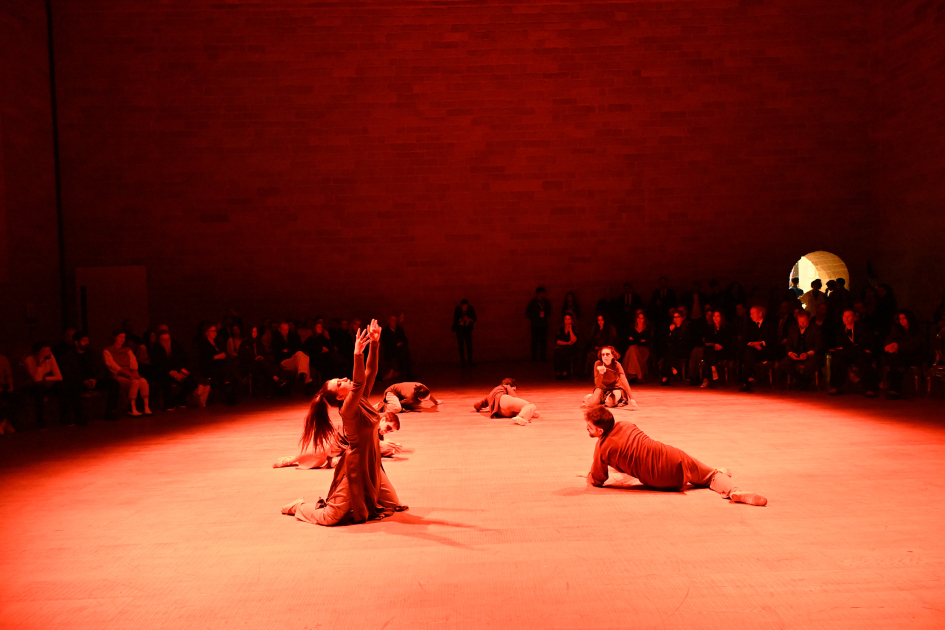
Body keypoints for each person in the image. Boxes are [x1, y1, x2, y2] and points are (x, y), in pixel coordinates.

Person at [281, 320, 408, 526]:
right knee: (330, 517)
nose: (343, 379)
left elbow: (371, 372)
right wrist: (357, 354)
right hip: (355, 468)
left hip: (372, 462)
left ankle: (363, 499)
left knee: (392, 504)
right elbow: (358, 383)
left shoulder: (361, 399)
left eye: (339, 379)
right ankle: (299, 507)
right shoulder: (347, 410)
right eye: (339, 384)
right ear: (340, 397)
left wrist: (375, 343)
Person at [583, 406, 767, 506]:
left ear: (600, 431)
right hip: (672, 457)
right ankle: (733, 491)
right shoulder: (627, 424)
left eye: (590, 427)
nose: (587, 429)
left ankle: (714, 475)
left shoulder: (601, 448)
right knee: (711, 476)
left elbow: (598, 480)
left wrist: (590, 476)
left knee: (705, 475)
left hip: (658, 482)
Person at [273, 412, 403, 469]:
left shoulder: (379, 434)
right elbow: (357, 434)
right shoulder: (369, 420)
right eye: (388, 427)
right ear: (383, 420)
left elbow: (371, 450)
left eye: (390, 431)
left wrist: (391, 449)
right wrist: (379, 444)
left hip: (347, 449)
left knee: (364, 459)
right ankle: (294, 459)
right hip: (337, 442)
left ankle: (335, 461)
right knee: (320, 454)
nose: (387, 431)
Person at [56, 331, 121, 424]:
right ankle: (79, 417)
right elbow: (68, 373)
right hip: (79, 382)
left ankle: (110, 412)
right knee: (72, 388)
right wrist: (83, 381)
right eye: (84, 341)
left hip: (93, 380)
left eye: (87, 340)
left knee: (114, 384)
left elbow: (101, 368)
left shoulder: (93, 354)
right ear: (76, 342)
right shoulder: (68, 356)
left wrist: (95, 379)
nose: (87, 342)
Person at [828, 309, 878, 397]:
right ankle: (836, 386)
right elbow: (841, 344)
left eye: (849, 316)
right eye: (844, 316)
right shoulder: (840, 330)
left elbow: (864, 343)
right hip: (846, 353)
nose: (846, 318)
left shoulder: (862, 329)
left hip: (859, 353)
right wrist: (853, 347)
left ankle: (869, 388)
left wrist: (851, 347)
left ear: (854, 318)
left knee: (864, 361)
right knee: (837, 360)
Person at [103, 331, 152, 416]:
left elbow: (133, 362)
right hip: (118, 374)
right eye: (120, 337)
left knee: (143, 381)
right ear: (114, 337)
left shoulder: (127, 350)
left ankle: (146, 406)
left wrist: (135, 372)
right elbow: (112, 365)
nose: (122, 339)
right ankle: (131, 408)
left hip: (130, 372)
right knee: (135, 382)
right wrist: (127, 373)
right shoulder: (107, 351)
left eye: (124, 337)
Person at [151, 329, 198, 411]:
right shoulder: (156, 349)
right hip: (163, 372)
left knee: (192, 382)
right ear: (159, 340)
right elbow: (157, 365)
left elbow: (183, 359)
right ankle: (169, 402)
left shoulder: (175, 345)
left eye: (168, 339)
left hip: (178, 370)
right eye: (164, 340)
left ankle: (179, 399)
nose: (167, 341)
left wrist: (181, 372)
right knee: (164, 381)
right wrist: (170, 372)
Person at [884, 309, 924, 399]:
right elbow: (889, 339)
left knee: (897, 361)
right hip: (898, 356)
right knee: (895, 359)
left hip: (912, 356)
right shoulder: (897, 329)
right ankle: (894, 389)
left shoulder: (917, 331)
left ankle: (894, 388)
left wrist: (898, 346)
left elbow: (914, 344)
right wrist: (889, 345)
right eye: (900, 318)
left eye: (904, 318)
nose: (902, 321)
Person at [778, 309, 824, 389]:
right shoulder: (793, 329)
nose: (802, 324)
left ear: (809, 319)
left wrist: (808, 354)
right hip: (796, 352)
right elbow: (788, 344)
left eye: (804, 321)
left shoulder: (816, 329)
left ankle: (803, 381)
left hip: (810, 354)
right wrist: (791, 353)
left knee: (810, 365)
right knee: (783, 364)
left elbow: (818, 345)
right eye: (800, 321)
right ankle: (803, 380)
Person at [24, 341, 64, 427]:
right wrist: (39, 363)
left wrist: (46, 378)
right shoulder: (29, 360)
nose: (50, 353)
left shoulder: (51, 357)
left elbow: (59, 377)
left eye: (50, 350)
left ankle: (65, 417)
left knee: (63, 386)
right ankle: (40, 420)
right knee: (39, 390)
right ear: (38, 353)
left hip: (47, 384)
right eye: (47, 351)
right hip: (33, 387)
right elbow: (37, 379)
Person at [739, 305, 777, 393]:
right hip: (752, 351)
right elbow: (744, 339)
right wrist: (753, 344)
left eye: (752, 313)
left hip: (765, 351)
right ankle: (746, 380)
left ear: (760, 314)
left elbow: (773, 339)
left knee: (747, 355)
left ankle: (746, 380)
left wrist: (760, 343)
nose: (750, 316)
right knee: (748, 353)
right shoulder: (749, 325)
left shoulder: (769, 325)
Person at [473, 378, 540, 426]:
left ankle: (525, 414)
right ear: (513, 386)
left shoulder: (490, 395)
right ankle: (522, 417)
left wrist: (476, 407)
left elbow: (478, 404)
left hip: (499, 412)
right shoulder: (506, 386)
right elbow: (513, 396)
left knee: (522, 409)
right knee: (530, 405)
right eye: (514, 389)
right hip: (503, 399)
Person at [272, 321, 312, 386]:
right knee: (304, 359)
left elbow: (300, 348)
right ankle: (307, 381)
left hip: (294, 359)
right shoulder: (275, 339)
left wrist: (288, 350)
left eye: (287, 329)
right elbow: (278, 353)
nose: (286, 331)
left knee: (301, 355)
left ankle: (303, 376)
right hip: (283, 362)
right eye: (283, 329)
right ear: (279, 329)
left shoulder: (293, 336)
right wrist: (290, 352)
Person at [701, 310, 733, 388]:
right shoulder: (710, 328)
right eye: (714, 316)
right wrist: (714, 345)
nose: (715, 318)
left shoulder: (726, 327)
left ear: (721, 317)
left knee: (708, 355)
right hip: (712, 350)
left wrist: (720, 346)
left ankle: (706, 379)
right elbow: (707, 341)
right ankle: (713, 369)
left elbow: (729, 341)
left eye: (718, 316)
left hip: (723, 350)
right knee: (709, 352)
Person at [660, 309, 690, 385]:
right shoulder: (673, 327)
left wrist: (675, 342)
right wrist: (670, 331)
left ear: (682, 318)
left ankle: (665, 376)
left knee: (669, 351)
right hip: (673, 351)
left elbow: (685, 342)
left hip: (683, 350)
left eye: (678, 317)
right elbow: (668, 340)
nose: (676, 319)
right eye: (674, 317)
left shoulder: (686, 328)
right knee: (669, 350)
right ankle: (673, 368)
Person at [622, 311, 653, 382]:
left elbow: (647, 342)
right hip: (633, 349)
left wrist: (635, 340)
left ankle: (629, 375)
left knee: (631, 350)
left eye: (642, 318)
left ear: (644, 319)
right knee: (632, 349)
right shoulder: (632, 328)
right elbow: (628, 341)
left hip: (643, 350)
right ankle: (635, 374)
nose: (640, 319)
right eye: (638, 318)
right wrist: (639, 340)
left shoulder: (647, 329)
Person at [380, 315, 413, 381]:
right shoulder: (385, 331)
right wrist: (395, 345)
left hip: (400, 349)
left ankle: (408, 373)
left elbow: (405, 340)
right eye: (392, 320)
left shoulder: (399, 329)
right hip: (390, 350)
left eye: (395, 320)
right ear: (389, 321)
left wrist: (401, 343)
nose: (394, 322)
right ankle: (402, 372)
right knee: (403, 353)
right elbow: (386, 343)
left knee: (405, 351)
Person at [526, 286, 552, 361]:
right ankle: (534, 357)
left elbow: (549, 311)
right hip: (535, 325)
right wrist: (534, 318)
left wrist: (545, 316)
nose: (544, 294)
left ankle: (543, 357)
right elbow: (528, 312)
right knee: (535, 341)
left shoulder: (546, 302)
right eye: (542, 293)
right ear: (538, 293)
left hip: (543, 324)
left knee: (543, 341)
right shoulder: (533, 303)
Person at [553, 313, 580, 379]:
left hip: (572, 347)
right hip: (563, 346)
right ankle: (559, 370)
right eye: (565, 319)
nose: (567, 321)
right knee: (557, 352)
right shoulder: (561, 329)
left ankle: (565, 371)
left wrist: (570, 330)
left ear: (572, 320)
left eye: (569, 319)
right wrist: (566, 343)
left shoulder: (575, 329)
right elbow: (557, 340)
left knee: (565, 352)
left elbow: (573, 340)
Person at [452, 299, 477, 367]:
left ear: (468, 306)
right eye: (463, 306)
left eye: (466, 306)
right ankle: (463, 362)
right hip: (460, 329)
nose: (465, 308)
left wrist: (469, 319)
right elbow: (455, 319)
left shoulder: (470, 309)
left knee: (469, 345)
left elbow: (475, 318)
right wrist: (461, 319)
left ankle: (470, 361)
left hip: (467, 328)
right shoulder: (458, 309)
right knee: (461, 345)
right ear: (461, 306)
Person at [0, 353, 15, 434]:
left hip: (2, 385)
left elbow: (8, 375)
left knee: (15, 398)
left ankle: (4, 422)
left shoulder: (3, 359)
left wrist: (10, 384)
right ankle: (3, 423)